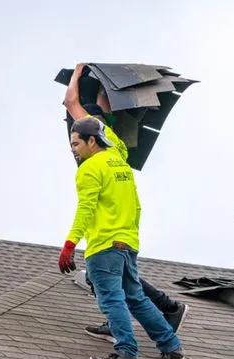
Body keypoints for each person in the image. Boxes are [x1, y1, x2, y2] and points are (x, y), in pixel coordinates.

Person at [62, 63, 189, 342]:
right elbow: (102, 104)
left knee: (110, 284)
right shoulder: (116, 145)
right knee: (122, 284)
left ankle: (128, 341)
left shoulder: (90, 147)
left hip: (106, 233)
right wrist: (102, 81)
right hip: (126, 230)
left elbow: (70, 100)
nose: (73, 145)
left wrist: (79, 71)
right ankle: (167, 330)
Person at [59, 116, 185, 359]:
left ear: (92, 141)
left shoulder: (90, 168)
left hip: (104, 246)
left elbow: (86, 208)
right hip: (127, 242)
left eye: (75, 143)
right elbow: (118, 147)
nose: (72, 149)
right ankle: (171, 347)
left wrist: (70, 244)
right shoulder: (119, 161)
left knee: (112, 300)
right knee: (136, 299)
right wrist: (95, 118)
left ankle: (126, 355)